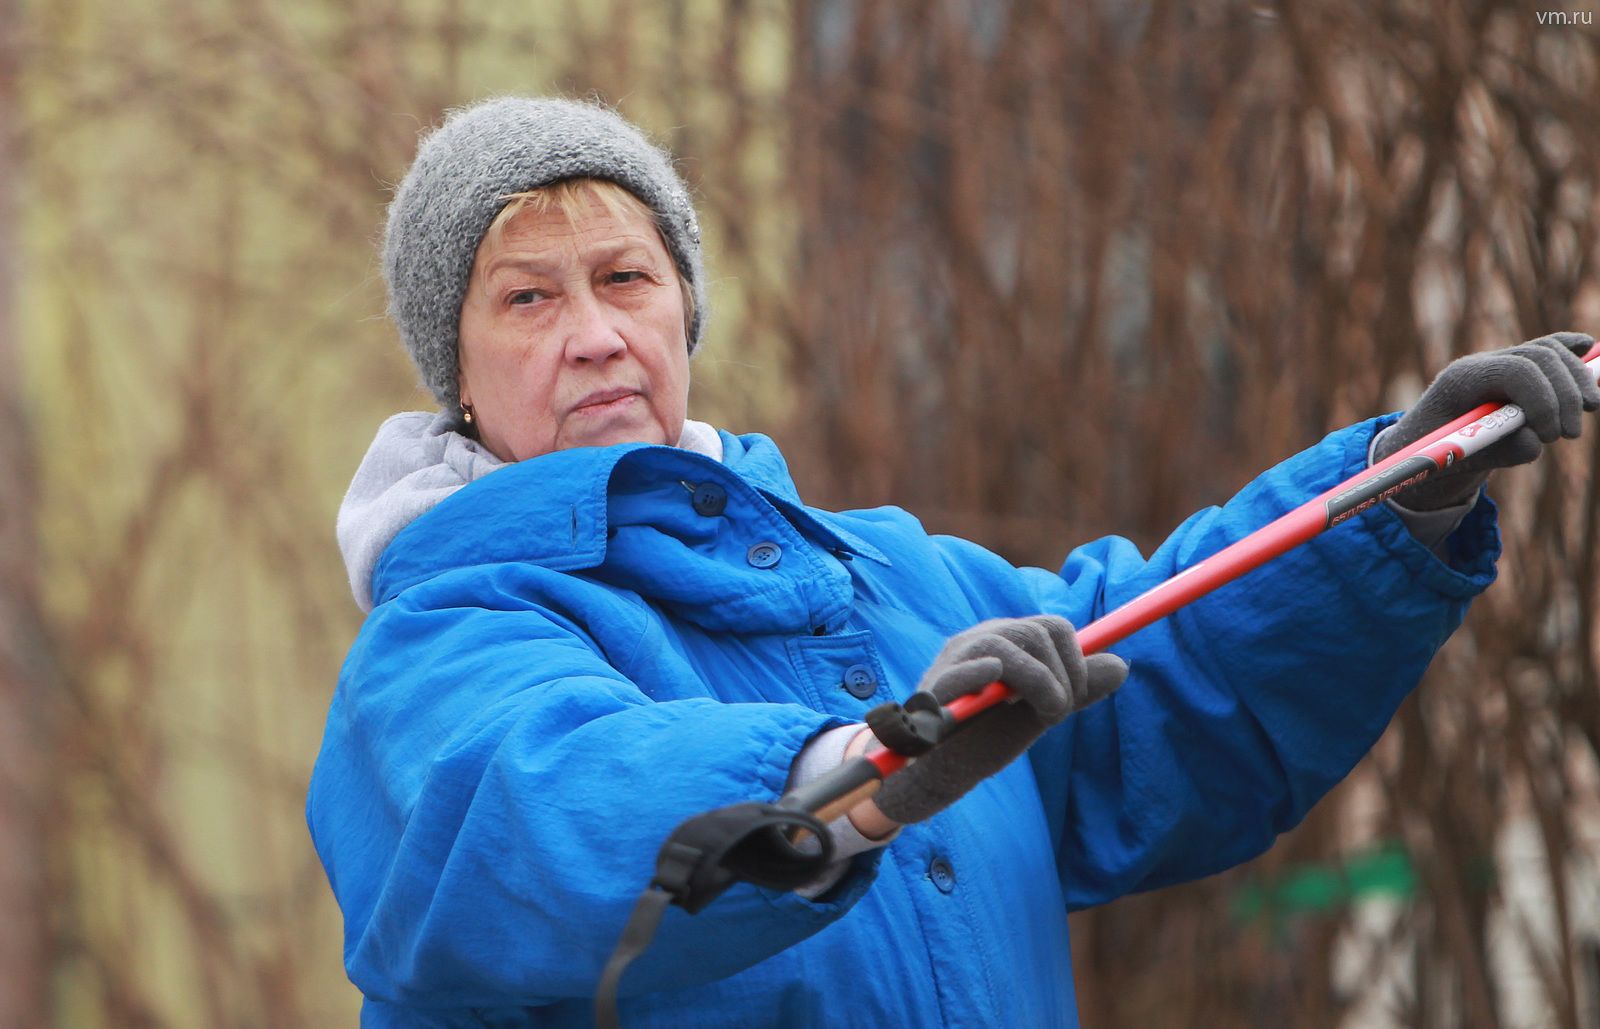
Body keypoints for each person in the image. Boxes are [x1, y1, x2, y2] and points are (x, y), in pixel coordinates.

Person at [306, 96, 1600, 1027]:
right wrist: (848, 778)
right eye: (528, 297)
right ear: (457, 377)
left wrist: (1390, 497)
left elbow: (1161, 662)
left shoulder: (890, 579)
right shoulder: (437, 649)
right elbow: (539, 805)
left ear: (683, 313)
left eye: (626, 278)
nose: (593, 333)